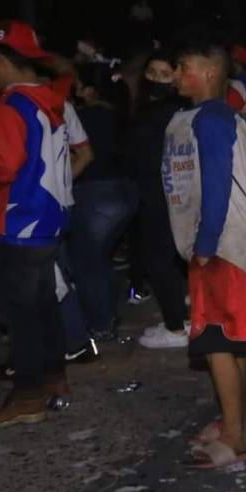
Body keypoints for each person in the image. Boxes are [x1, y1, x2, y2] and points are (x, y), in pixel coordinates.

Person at [164, 35, 246, 468]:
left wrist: (205, 245)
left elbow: (217, 185)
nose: (176, 76)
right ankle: (236, 422)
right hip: (221, 246)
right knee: (231, 341)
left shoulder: (212, 118)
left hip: (223, 248)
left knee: (218, 343)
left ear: (208, 72)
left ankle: (234, 436)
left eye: (182, 67)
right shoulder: (200, 116)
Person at [0, 21, 72, 427]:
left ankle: (28, 396)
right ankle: (53, 379)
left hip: (14, 223)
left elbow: (2, 165)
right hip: (45, 221)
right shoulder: (48, 100)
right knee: (43, 306)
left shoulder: (8, 105)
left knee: (21, 315)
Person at [69, 62, 138, 339]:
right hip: (125, 191)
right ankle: (107, 313)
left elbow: (81, 156)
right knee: (100, 259)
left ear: (90, 91)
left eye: (77, 86)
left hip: (96, 194)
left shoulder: (84, 117)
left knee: (87, 263)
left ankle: (101, 323)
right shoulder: (121, 112)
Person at [133, 51, 192, 349]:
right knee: (175, 260)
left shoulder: (160, 112)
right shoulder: (181, 108)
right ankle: (181, 317)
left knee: (160, 262)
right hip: (176, 194)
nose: (156, 79)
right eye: (152, 73)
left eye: (164, 74)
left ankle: (176, 328)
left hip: (163, 195)